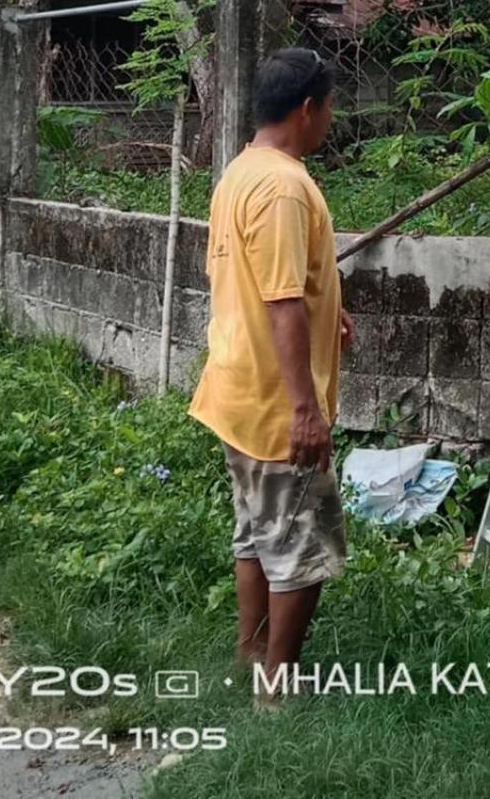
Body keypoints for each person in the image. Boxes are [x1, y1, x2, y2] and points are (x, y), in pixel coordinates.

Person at [189, 47, 354, 681]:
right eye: (330, 108)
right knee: (300, 550)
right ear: (309, 108)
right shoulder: (286, 186)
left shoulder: (242, 171)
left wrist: (330, 307)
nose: (330, 120)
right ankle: (276, 689)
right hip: (273, 402)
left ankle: (251, 651)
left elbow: (266, 276)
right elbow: (282, 300)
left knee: (257, 533)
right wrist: (304, 408)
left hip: (236, 388)